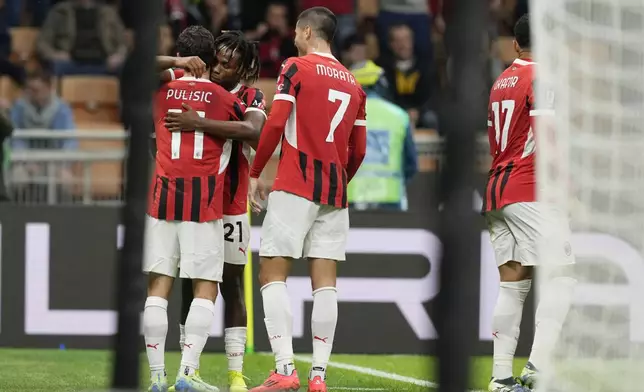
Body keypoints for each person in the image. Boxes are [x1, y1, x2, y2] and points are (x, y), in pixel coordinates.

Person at [247, 7, 367, 392]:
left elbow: (277, 122)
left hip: (296, 182)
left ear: (307, 31)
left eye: (298, 32)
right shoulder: (354, 84)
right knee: (325, 282)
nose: (295, 38)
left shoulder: (295, 68)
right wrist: (338, 177)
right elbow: (358, 150)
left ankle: (284, 369)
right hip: (334, 189)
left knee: (272, 272)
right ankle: (318, 376)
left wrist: (255, 172)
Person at [158, 30, 267, 392]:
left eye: (228, 63)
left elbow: (254, 132)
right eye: (216, 59)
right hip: (194, 200)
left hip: (230, 203)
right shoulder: (186, 79)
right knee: (190, 283)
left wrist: (200, 124)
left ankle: (236, 373)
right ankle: (191, 369)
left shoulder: (252, 96)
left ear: (244, 69)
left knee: (232, 283)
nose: (219, 67)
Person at [142, 25, 245, 392]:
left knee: (158, 287)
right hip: (204, 201)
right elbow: (250, 130)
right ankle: (187, 374)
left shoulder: (161, 91)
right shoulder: (224, 99)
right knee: (206, 288)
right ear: (209, 58)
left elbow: (132, 67)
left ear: (182, 54)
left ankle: (157, 378)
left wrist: (172, 63)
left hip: (163, 197)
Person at [483, 15, 576, 392]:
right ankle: (537, 368)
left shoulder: (500, 81)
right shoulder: (541, 78)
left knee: (514, 283)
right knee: (563, 277)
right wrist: (564, 185)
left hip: (497, 189)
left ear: (516, 45)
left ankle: (501, 377)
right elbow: (545, 132)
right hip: (530, 187)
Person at [347, 60, 418, 211]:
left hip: (351, 201)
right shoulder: (399, 115)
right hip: (390, 200)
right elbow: (411, 164)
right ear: (380, 84)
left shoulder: (341, 115)